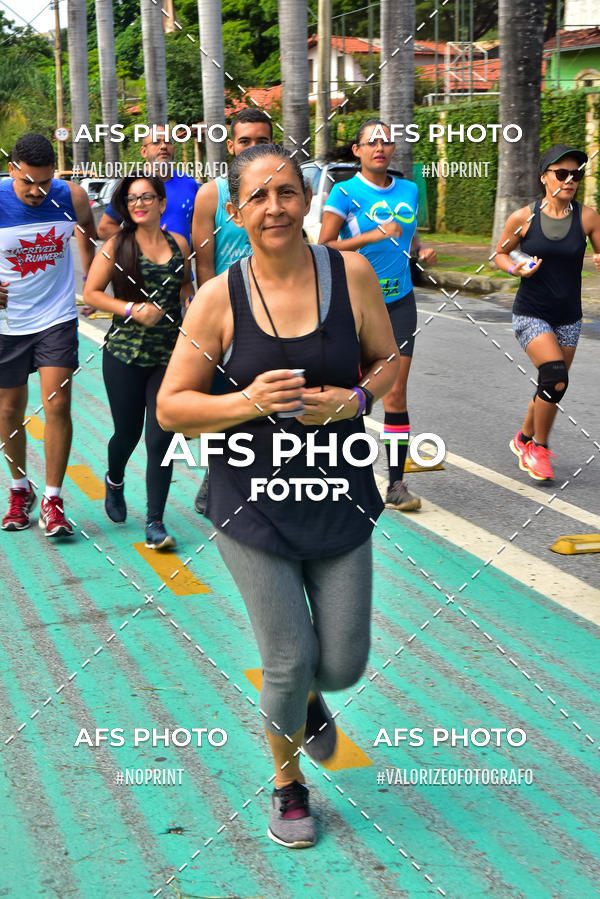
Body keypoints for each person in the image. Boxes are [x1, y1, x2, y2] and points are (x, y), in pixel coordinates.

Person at [156, 144, 399, 848]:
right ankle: (289, 782)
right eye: (258, 196)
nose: (274, 207)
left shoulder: (348, 273)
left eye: (287, 192)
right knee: (288, 658)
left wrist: (355, 398)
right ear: (236, 211)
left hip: (340, 496)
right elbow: (172, 408)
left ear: (306, 200)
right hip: (249, 504)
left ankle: (311, 702)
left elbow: (388, 360)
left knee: (342, 662)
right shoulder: (217, 298)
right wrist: (247, 402)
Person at [318, 119, 436, 512]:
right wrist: (371, 236)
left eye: (386, 141)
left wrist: (420, 251)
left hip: (400, 302)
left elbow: (409, 234)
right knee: (352, 390)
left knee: (396, 392)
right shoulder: (345, 191)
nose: (380, 148)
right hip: (355, 303)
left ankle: (396, 483)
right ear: (358, 151)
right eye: (371, 142)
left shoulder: (409, 189)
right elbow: (326, 246)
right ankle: (341, 474)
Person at [84, 176, 192, 548]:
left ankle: (155, 522)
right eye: (132, 198)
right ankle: (114, 480)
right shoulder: (117, 245)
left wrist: (193, 310)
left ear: (162, 203)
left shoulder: (180, 244)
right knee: (127, 434)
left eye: (147, 196)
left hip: (170, 356)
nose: (139, 203)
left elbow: (185, 288)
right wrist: (132, 308)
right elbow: (91, 293)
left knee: (162, 436)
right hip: (125, 355)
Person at [0, 132, 96, 536]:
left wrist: (91, 278)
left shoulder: (71, 196)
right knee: (8, 412)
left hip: (55, 318)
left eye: (44, 182)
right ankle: (20, 490)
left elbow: (88, 231)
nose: (37, 192)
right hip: (7, 324)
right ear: (11, 171)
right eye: (27, 183)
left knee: (57, 404)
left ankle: (54, 499)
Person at [495, 143, 600, 481]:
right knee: (554, 375)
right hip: (531, 312)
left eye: (576, 174)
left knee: (553, 385)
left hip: (569, 316)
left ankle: (522, 439)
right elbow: (500, 254)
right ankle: (537, 449)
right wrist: (515, 269)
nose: (570, 180)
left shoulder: (587, 217)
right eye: (561, 173)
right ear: (545, 178)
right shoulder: (524, 217)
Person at [191, 107, 273, 515]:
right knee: (226, 399)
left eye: (262, 140)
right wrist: (211, 321)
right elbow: (204, 265)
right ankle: (216, 478)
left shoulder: (282, 187)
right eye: (246, 141)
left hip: (278, 309)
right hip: (229, 312)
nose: (253, 148)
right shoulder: (211, 194)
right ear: (230, 145)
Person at [97, 128, 198, 245]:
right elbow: (105, 227)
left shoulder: (189, 183)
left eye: (168, 142)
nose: (164, 146)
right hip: (140, 263)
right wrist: (139, 246)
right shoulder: (132, 185)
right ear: (143, 152)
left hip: (181, 262)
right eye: (156, 142)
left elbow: (197, 227)